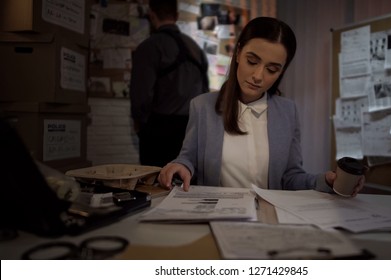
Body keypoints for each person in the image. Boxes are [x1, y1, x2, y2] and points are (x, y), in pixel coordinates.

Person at [158, 17, 365, 195]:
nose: (258, 76)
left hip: (269, 220)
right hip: (217, 216)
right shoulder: (202, 106)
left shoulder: (288, 112)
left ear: (281, 72)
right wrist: (179, 166)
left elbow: (291, 178)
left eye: (272, 69)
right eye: (252, 61)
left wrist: (325, 181)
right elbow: (187, 159)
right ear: (238, 53)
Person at [130, 0, 209, 167]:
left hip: (159, 131)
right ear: (177, 16)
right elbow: (205, 91)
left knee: (156, 184)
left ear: (151, 15)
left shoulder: (149, 47)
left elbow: (141, 95)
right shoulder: (195, 48)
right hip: (192, 130)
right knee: (187, 184)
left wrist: (140, 123)